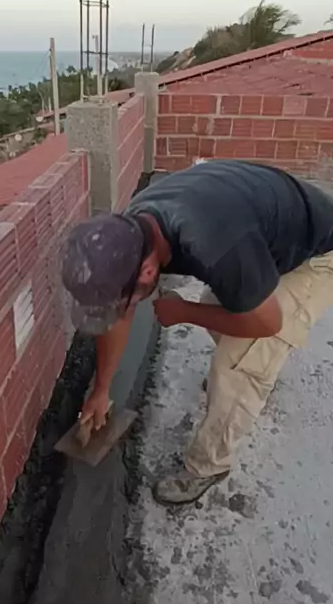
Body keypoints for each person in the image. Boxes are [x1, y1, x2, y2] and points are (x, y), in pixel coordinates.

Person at [60, 160, 333, 505]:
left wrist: (184, 312)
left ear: (147, 271)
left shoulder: (212, 240)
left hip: (318, 255)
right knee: (217, 304)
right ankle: (258, 368)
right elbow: (121, 313)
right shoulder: (130, 231)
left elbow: (268, 323)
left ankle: (209, 466)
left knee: (240, 361)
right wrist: (101, 390)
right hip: (264, 231)